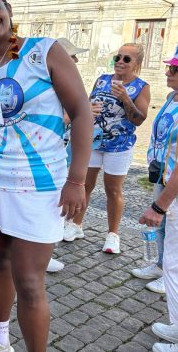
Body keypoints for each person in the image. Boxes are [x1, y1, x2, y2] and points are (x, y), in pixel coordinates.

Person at [0, 0, 92, 352]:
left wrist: (77, 179)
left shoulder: (44, 51)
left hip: (41, 188)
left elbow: (82, 112)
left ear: (8, 9)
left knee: (31, 282)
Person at [64, 43, 150, 254]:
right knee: (84, 185)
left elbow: (139, 119)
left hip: (119, 145)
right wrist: (88, 109)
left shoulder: (142, 86)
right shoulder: (102, 79)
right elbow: (88, 102)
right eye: (117, 57)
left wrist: (125, 99)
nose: (120, 62)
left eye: (126, 59)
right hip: (93, 140)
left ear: (137, 63)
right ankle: (76, 225)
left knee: (113, 189)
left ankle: (113, 235)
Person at [139, 49, 178, 352]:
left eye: (174, 70)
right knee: (170, 256)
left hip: (173, 191)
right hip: (164, 177)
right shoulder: (170, 98)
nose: (168, 73)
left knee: (175, 265)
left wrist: (160, 205)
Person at [46, 37, 90, 273]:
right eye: (71, 56)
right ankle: (44, 250)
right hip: (50, 156)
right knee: (52, 205)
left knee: (56, 205)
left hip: (62, 154)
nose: (76, 60)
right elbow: (50, 121)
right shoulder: (52, 81)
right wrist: (76, 116)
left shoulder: (68, 80)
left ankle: (46, 248)